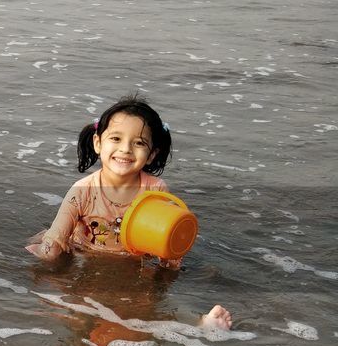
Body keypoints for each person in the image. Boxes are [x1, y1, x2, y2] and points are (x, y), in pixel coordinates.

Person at [27, 95, 232, 330]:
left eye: (139, 143)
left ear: (152, 154)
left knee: (143, 305)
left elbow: (170, 241)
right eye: (116, 138)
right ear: (98, 143)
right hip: (86, 255)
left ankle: (200, 323)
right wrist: (50, 253)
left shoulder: (155, 190)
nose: (125, 149)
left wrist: (167, 274)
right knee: (77, 305)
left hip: (134, 263)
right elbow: (57, 234)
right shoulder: (83, 191)